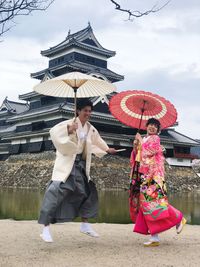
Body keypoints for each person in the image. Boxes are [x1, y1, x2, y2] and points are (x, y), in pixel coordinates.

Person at [38, 98, 117, 242]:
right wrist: (68, 130)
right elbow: (54, 132)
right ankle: (45, 229)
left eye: (89, 111)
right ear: (78, 111)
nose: (88, 113)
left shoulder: (90, 128)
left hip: (81, 165)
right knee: (56, 192)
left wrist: (107, 149)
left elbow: (98, 141)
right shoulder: (69, 123)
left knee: (86, 192)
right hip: (67, 164)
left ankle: (85, 225)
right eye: (85, 110)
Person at [129, 118, 186, 247]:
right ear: (146, 126)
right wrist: (135, 147)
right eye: (150, 125)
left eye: (155, 126)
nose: (152, 127)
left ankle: (178, 218)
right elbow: (137, 157)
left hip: (154, 176)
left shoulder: (155, 139)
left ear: (158, 129)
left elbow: (150, 152)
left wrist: (140, 141)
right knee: (148, 205)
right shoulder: (144, 139)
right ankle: (154, 236)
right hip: (145, 176)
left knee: (155, 203)